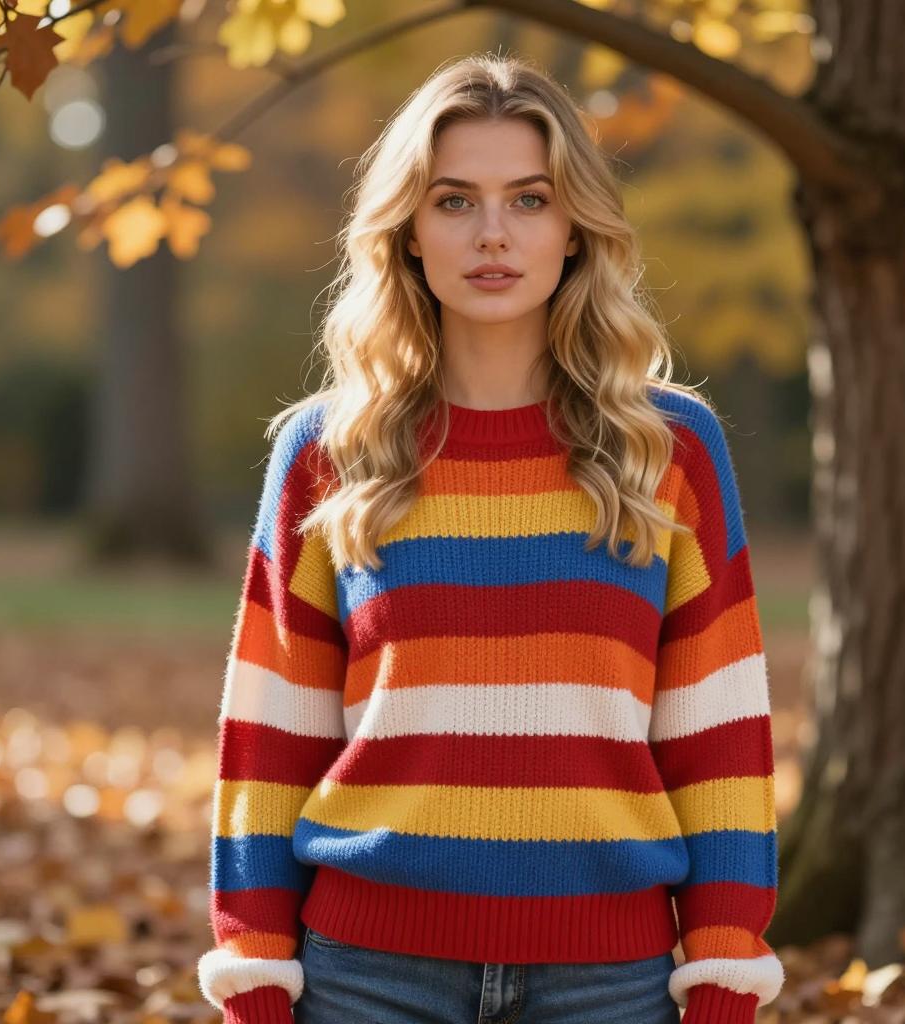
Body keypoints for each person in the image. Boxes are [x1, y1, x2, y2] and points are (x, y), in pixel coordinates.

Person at [197, 51, 784, 1024]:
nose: (494, 234)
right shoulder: (327, 449)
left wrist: (723, 966)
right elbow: (269, 730)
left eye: (529, 198)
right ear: (409, 233)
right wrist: (255, 966)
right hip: (367, 975)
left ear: (575, 228)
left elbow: (717, 730)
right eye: (455, 201)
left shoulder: (669, 447)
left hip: (607, 980)